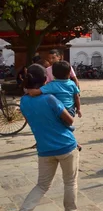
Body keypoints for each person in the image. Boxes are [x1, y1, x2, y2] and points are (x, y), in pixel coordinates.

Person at [20, 64, 79, 211]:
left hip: (44, 149)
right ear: (46, 79)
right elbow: (70, 120)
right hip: (66, 146)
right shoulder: (50, 99)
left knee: (42, 185)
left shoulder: (23, 101)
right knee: (70, 182)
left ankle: (25, 209)